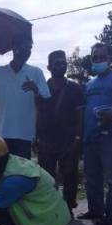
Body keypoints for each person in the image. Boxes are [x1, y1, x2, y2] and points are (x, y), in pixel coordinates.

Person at [0, 33, 51, 158]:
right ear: (15, 48)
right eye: (25, 47)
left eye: (30, 49)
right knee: (2, 173)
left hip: (25, 136)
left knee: (20, 174)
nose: (28, 52)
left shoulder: (36, 73)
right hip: (2, 135)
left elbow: (45, 105)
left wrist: (35, 90)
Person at [78, 43, 112, 225]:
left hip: (111, 136)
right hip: (90, 135)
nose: (98, 60)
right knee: (92, 177)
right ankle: (95, 210)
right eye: (94, 57)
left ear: (110, 59)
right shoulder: (90, 84)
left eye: (101, 57)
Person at [36, 50, 84, 215]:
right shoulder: (42, 88)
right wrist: (35, 137)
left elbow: (80, 114)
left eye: (63, 63)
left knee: (70, 175)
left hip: (68, 139)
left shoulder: (74, 88)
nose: (61, 66)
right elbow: (37, 112)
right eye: (57, 63)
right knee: (46, 177)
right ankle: (49, 208)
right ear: (49, 67)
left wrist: (78, 136)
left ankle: (68, 208)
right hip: (45, 139)